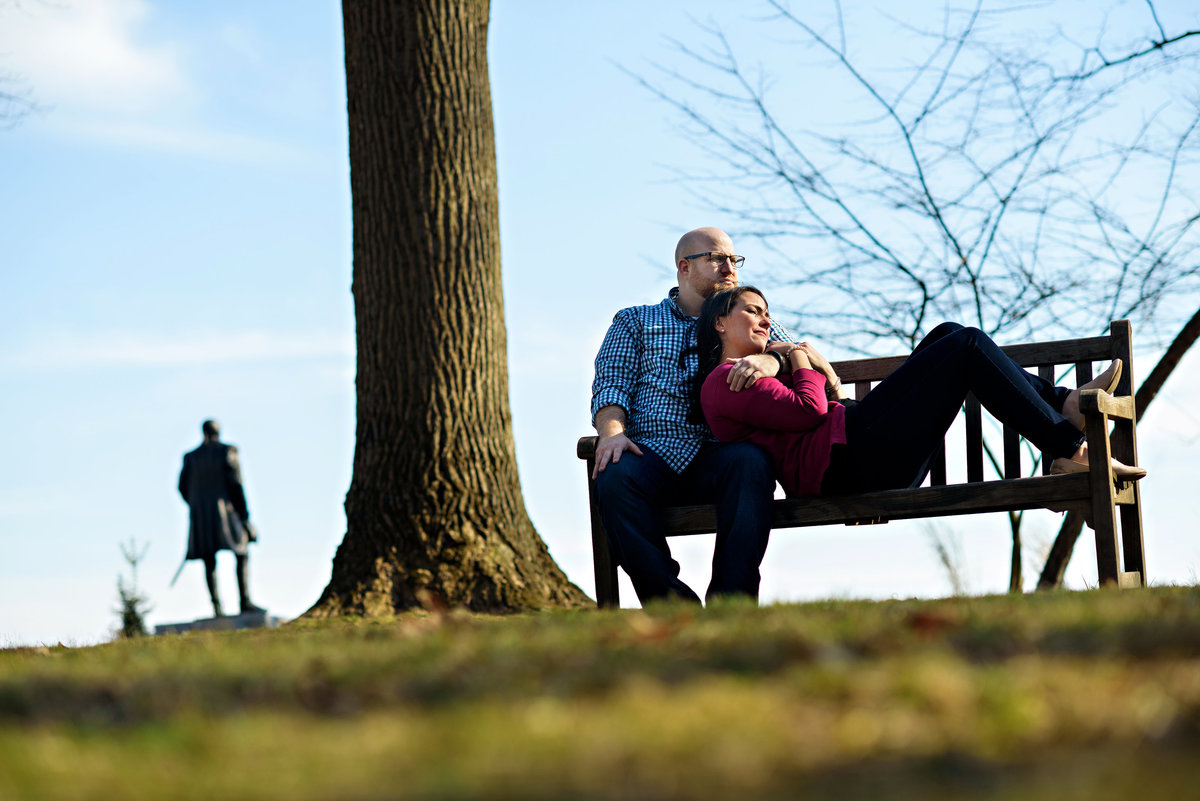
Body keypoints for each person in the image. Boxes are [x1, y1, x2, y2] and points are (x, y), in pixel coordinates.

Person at [696, 286, 1145, 499]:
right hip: (847, 468)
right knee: (965, 344)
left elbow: (827, 392)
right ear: (719, 322)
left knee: (948, 334)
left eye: (767, 314)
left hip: (859, 446)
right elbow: (812, 407)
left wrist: (785, 359)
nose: (765, 321)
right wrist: (794, 355)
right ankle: (1072, 446)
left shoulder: (757, 369)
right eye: (752, 312)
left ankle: (1063, 405)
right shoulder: (726, 380)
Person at [590, 227, 798, 605]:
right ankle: (672, 607)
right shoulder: (636, 321)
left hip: (722, 453)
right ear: (684, 267)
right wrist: (612, 433)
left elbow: (801, 355)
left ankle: (731, 607)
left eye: (735, 260)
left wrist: (772, 357)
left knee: (752, 462)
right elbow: (611, 386)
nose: (729, 268)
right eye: (717, 258)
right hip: (652, 453)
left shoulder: (748, 316)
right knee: (613, 473)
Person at [178, 419, 264, 617]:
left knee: (209, 559)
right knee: (241, 551)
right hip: (226, 511)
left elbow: (182, 487)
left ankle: (217, 607)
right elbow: (236, 484)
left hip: (201, 515)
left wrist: (197, 505)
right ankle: (244, 601)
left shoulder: (191, 457)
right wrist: (244, 515)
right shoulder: (228, 451)